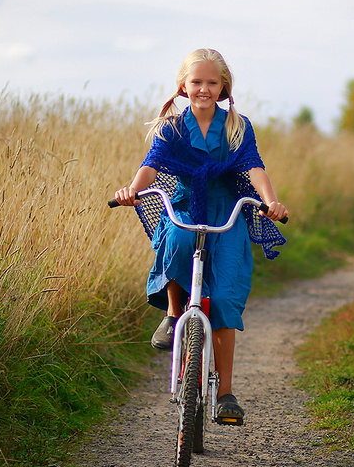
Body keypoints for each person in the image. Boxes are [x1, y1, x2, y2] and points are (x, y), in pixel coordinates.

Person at [113, 49, 288, 424]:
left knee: (224, 298)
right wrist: (131, 189)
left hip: (227, 211)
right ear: (183, 86)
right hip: (186, 205)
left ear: (224, 87)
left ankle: (225, 392)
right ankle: (174, 314)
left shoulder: (237, 126)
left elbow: (253, 167)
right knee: (175, 241)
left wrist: (270, 201)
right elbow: (152, 165)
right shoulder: (172, 127)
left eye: (212, 82)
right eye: (196, 82)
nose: (203, 89)